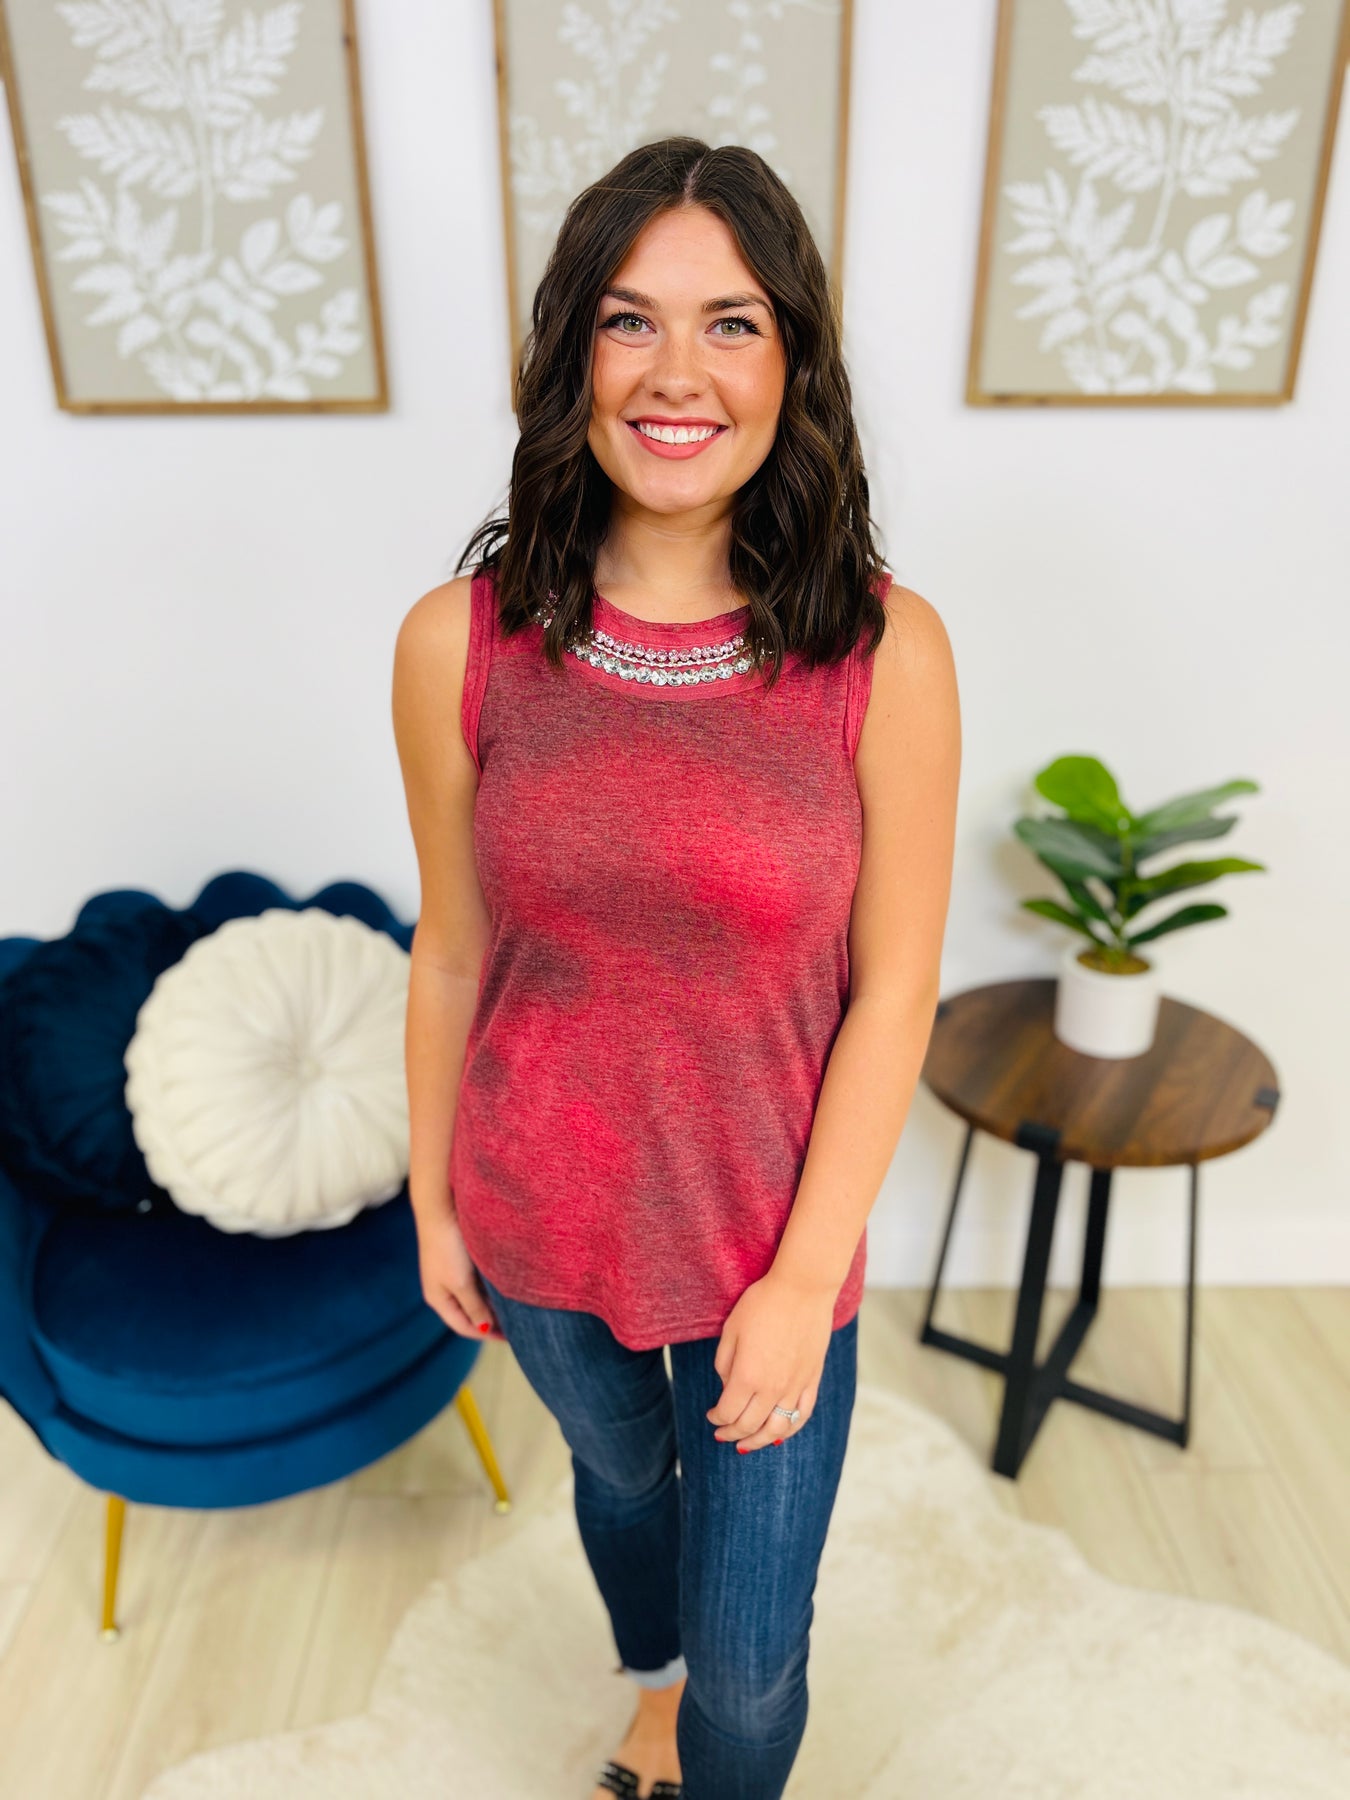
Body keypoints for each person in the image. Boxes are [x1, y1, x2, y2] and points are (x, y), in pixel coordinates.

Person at [391, 136, 960, 1800]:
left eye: (731, 324)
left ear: (791, 363)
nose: (675, 372)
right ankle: (645, 1691)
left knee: (755, 1663)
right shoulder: (457, 643)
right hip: (537, 1219)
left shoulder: (883, 651)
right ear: (573, 353)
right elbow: (452, 950)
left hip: (764, 1249)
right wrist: (433, 1195)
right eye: (629, 321)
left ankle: (700, 1715)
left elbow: (895, 989)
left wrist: (801, 1279)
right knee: (624, 1488)